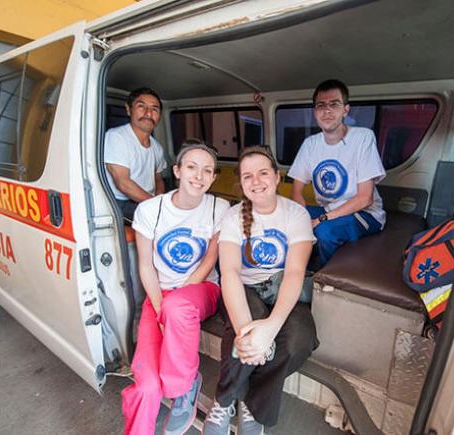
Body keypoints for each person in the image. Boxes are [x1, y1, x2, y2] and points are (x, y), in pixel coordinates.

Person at [203, 146, 319, 435]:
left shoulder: (296, 215)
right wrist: (248, 332)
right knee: (243, 334)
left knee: (299, 340)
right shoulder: (231, 217)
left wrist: (270, 330)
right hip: (244, 288)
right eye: (247, 176)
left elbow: (294, 273)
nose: (256, 181)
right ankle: (225, 401)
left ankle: (250, 402)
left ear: (278, 177)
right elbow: (228, 272)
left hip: (283, 287)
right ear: (241, 183)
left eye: (263, 173)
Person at [121, 139, 230, 435]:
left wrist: (175, 299)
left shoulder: (220, 208)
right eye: (192, 167)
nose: (199, 176)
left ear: (214, 177)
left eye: (208, 170)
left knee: (177, 306)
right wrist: (158, 307)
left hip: (201, 290)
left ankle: (184, 386)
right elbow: (146, 265)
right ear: (177, 171)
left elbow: (210, 258)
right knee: (145, 386)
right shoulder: (150, 210)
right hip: (158, 295)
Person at [288, 79, 386, 267]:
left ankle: (326, 280)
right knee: (286, 218)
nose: (327, 111)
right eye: (321, 105)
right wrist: (299, 218)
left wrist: (320, 220)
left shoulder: (362, 138)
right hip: (329, 209)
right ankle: (297, 272)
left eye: (334, 104)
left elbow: (365, 199)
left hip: (366, 214)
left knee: (325, 231)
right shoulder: (310, 144)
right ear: (315, 111)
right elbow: (297, 191)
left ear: (345, 110)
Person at [105, 87, 168, 223]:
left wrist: (160, 200)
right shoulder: (116, 137)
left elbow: (158, 178)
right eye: (141, 106)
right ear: (129, 109)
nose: (148, 113)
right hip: (122, 203)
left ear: (159, 116)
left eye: (154, 109)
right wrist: (156, 206)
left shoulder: (157, 147)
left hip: (146, 201)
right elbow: (123, 183)